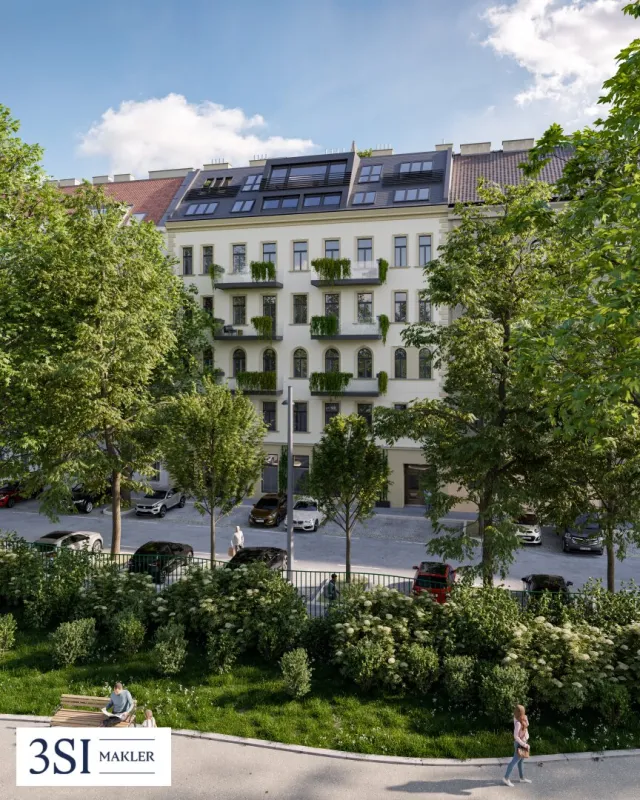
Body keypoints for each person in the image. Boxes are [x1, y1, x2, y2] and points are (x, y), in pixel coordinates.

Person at [503, 704, 531, 786]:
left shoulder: (522, 718)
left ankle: (522, 778)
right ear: (521, 712)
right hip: (520, 744)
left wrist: (526, 719)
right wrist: (524, 745)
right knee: (514, 762)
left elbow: (527, 725)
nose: (524, 712)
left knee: (520, 762)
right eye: (523, 711)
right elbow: (516, 736)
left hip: (524, 742)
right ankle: (506, 778)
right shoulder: (518, 722)